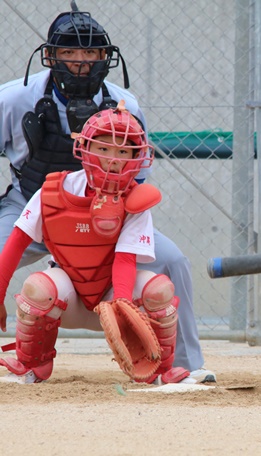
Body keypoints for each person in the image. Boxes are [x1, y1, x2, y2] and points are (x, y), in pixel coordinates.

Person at [0, 7, 214, 383]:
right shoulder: (14, 98)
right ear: (51, 55)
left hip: (109, 215)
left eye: (91, 53)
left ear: (105, 58)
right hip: (33, 204)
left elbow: (138, 177)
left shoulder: (124, 104)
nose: (81, 61)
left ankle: (185, 366)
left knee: (175, 261)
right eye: (69, 52)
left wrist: (119, 212)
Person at [0, 103, 191, 384]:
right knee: (36, 288)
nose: (113, 159)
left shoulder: (137, 199)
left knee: (159, 290)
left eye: (123, 151)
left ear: (137, 157)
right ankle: (31, 366)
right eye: (103, 149)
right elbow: (16, 242)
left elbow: (125, 259)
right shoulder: (53, 189)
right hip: (69, 300)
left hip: (114, 297)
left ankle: (159, 371)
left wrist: (123, 304)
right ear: (85, 149)